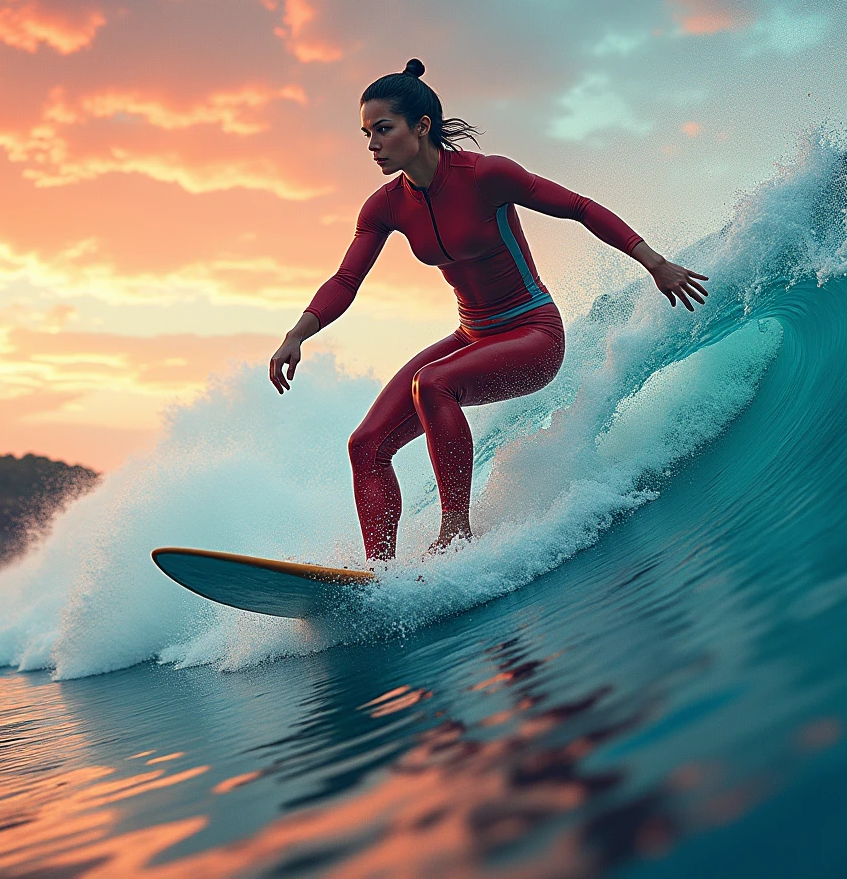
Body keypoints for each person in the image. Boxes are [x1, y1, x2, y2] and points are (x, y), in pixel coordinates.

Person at [269, 59, 708, 561]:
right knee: (366, 445)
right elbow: (347, 280)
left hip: (532, 336)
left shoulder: (486, 176)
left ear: (422, 127)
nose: (371, 145)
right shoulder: (385, 206)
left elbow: (580, 208)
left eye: (382, 130)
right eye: (366, 133)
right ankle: (380, 577)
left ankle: (456, 533)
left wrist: (655, 263)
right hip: (473, 336)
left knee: (431, 382)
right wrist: (296, 335)